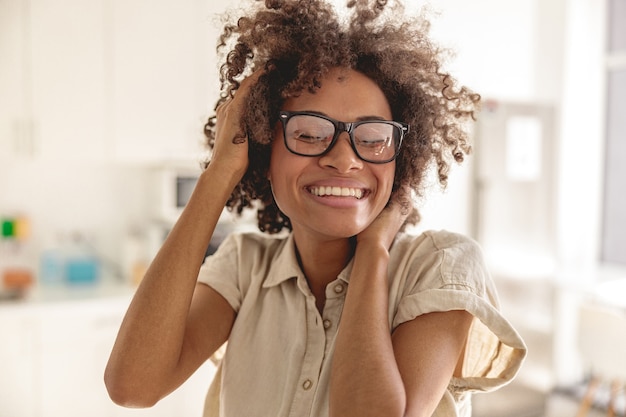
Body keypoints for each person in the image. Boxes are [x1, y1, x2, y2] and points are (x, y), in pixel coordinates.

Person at [104, 1, 527, 416]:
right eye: (308, 134)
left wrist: (372, 253)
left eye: (373, 137)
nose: (345, 159)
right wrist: (219, 173)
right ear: (264, 154)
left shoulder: (439, 266)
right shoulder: (243, 269)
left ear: (399, 160)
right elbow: (133, 386)